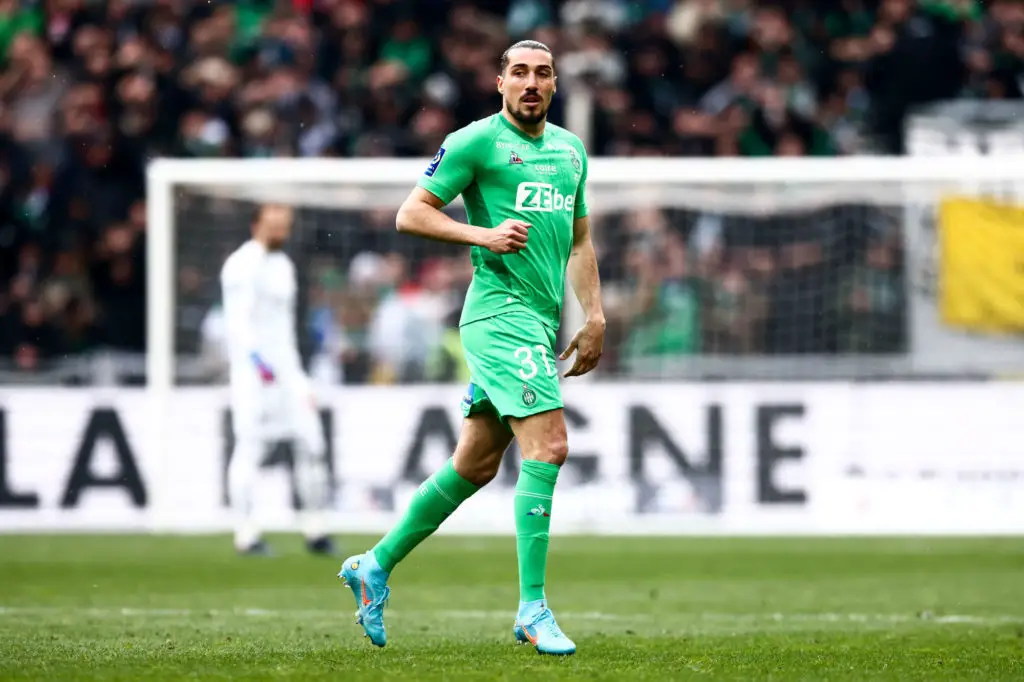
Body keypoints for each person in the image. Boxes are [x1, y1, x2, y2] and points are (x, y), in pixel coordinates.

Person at [338, 40, 605, 656]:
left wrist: (594, 315)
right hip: (498, 315)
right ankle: (533, 609)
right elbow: (410, 214)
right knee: (550, 446)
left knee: (476, 465)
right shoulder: (475, 142)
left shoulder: (571, 150)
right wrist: (481, 234)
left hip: (539, 320)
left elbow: (580, 241)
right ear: (499, 82)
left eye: (542, 73)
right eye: (520, 73)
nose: (531, 83)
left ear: (555, 84)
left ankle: (374, 565)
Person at [220, 204, 336, 556]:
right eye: (273, 225)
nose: (279, 232)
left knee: (312, 443)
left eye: (284, 226)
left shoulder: (284, 265)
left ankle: (315, 528)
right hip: (254, 375)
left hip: (288, 371)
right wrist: (258, 362)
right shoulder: (241, 264)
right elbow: (237, 322)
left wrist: (295, 374)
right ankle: (246, 534)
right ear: (255, 224)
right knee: (251, 448)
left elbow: (283, 328)